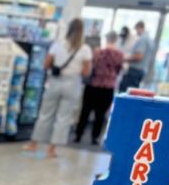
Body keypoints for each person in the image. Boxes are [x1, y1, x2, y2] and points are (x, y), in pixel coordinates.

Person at [24, 18, 92, 158]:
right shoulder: (85, 49)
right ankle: (51, 149)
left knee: (45, 113)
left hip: (55, 81)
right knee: (64, 117)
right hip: (72, 83)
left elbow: (46, 64)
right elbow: (86, 72)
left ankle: (34, 144)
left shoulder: (58, 45)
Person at [74, 31, 124, 145]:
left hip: (93, 85)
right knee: (100, 114)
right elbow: (118, 70)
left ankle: (78, 134)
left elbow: (91, 67)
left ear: (106, 39)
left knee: (85, 111)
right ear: (116, 40)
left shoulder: (97, 52)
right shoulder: (119, 55)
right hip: (108, 87)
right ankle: (95, 137)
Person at [119, 21, 155, 92]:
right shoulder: (150, 40)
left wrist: (124, 59)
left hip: (134, 71)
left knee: (125, 92)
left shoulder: (143, 39)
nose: (136, 32)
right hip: (141, 70)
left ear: (140, 28)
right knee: (133, 91)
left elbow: (138, 57)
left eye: (136, 29)